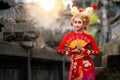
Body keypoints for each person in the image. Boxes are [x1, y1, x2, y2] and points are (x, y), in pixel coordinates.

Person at [57, 4, 100, 80]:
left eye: (79, 22)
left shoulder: (89, 37)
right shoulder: (68, 36)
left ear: (84, 24)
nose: (77, 24)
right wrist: (73, 51)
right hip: (74, 67)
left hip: (87, 67)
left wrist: (84, 50)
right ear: (72, 23)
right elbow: (59, 50)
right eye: (75, 22)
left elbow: (97, 52)